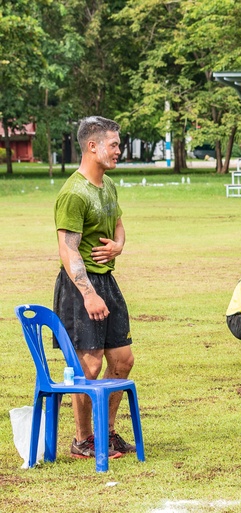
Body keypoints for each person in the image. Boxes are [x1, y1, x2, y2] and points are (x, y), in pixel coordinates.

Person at [53, 116, 135, 460]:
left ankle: (109, 430)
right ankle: (83, 439)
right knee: (89, 366)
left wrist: (118, 246)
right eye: (114, 144)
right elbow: (67, 248)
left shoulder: (108, 186)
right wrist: (88, 293)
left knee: (123, 360)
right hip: (79, 284)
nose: (119, 150)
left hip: (107, 280)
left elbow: (118, 228)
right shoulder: (73, 192)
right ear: (92, 146)